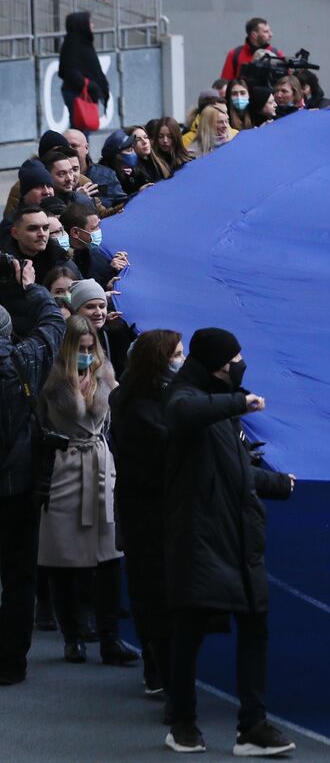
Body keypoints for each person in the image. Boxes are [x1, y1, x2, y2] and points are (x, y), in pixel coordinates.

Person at [162, 329, 296, 755]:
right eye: (236, 357)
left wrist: (278, 484)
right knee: (191, 629)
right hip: (201, 536)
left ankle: (252, 725)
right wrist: (241, 402)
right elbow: (185, 413)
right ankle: (182, 721)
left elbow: (236, 470)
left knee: (255, 627)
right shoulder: (185, 398)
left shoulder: (220, 410)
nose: (241, 364)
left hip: (239, 537)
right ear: (217, 362)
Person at [37, 314, 138, 667]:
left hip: (98, 462)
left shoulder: (105, 377)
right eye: (79, 348)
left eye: (89, 347)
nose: (85, 354)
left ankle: (110, 637)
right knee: (63, 556)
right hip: (65, 464)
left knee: (109, 554)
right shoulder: (51, 381)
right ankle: (73, 637)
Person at [0, 258, 67, 686]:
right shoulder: (21, 363)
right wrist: (31, 287)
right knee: (20, 575)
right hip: (17, 486)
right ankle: (11, 663)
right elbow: (54, 327)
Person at [110, 329, 182, 700]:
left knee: (148, 587)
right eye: (176, 354)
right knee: (153, 589)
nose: (180, 360)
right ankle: (159, 664)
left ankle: (157, 662)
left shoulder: (133, 397)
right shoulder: (140, 404)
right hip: (148, 508)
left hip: (141, 505)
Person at [57, 11, 109, 132]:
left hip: (84, 92)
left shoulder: (84, 42)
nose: (92, 25)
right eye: (89, 22)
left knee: (83, 128)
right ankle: (79, 150)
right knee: (80, 128)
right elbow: (69, 70)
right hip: (76, 92)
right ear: (81, 24)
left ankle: (80, 150)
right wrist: (89, 84)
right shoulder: (73, 44)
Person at [61, 203, 125, 290]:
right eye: (94, 228)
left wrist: (113, 268)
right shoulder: (64, 264)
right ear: (75, 232)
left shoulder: (95, 251)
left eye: (99, 226)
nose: (99, 231)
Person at [219, 17, 282, 82]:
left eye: (270, 31)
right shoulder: (234, 54)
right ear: (254, 35)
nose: (271, 34)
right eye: (266, 32)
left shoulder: (276, 54)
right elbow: (225, 84)